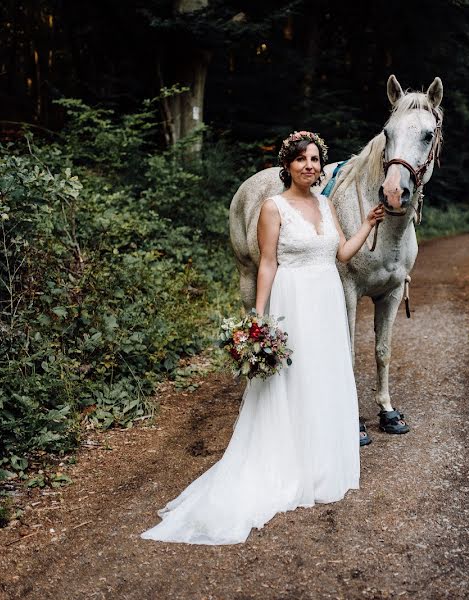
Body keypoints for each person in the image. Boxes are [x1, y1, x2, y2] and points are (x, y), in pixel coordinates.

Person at [140, 131, 384, 545]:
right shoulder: (273, 207)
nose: (310, 166)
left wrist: (367, 224)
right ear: (286, 166)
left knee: (322, 376)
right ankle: (288, 464)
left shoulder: (326, 205)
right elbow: (267, 264)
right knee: (292, 380)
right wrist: (258, 315)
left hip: (324, 301)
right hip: (293, 301)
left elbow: (342, 254)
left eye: (315, 159)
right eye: (301, 159)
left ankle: (322, 461)